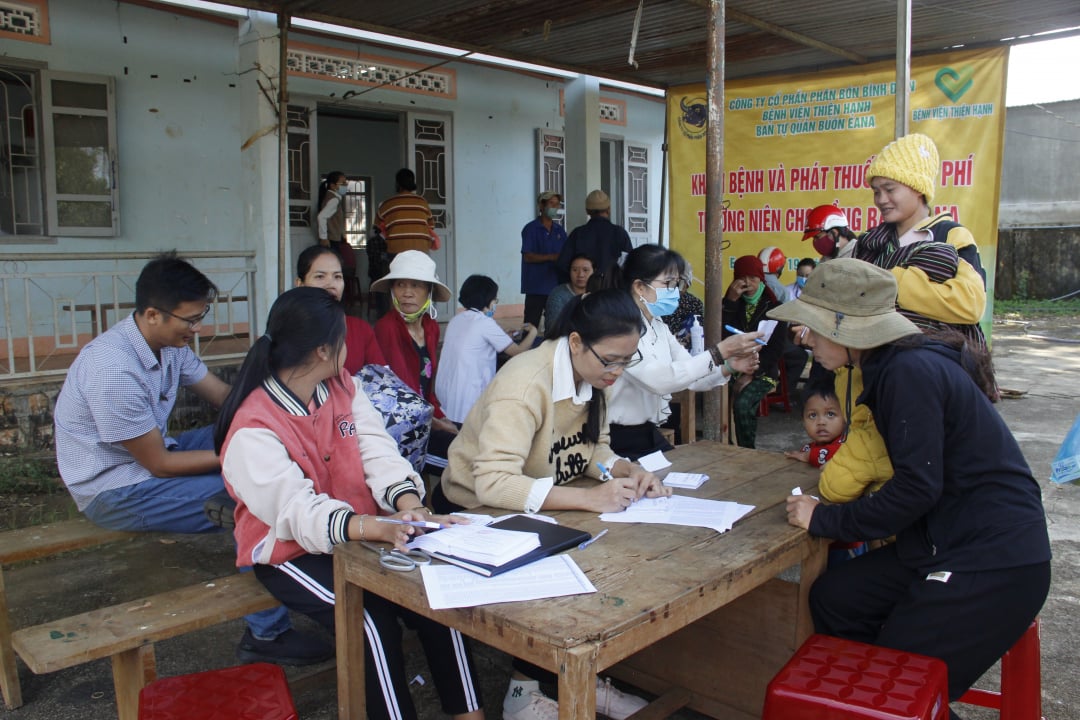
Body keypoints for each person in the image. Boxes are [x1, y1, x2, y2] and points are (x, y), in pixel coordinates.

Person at [773, 259, 1050, 708]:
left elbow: (916, 490)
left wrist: (824, 518)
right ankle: (879, 706)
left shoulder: (908, 372)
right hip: (947, 538)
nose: (807, 340)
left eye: (814, 328)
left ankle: (895, 707)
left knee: (894, 681)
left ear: (846, 329)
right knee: (837, 598)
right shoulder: (891, 366)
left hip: (995, 557)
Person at [214, 286, 483, 720]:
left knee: (435, 594)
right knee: (369, 621)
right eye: (344, 337)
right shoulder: (253, 427)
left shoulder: (342, 385)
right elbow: (297, 514)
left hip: (358, 530)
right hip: (289, 550)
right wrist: (375, 527)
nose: (352, 343)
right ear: (323, 349)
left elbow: (377, 451)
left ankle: (470, 715)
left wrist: (409, 502)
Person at [53, 252, 331, 666]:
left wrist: (284, 420)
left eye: (201, 316)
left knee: (258, 443)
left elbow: (225, 401)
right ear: (152, 315)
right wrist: (243, 458)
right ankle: (267, 635)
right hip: (114, 488)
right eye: (190, 319)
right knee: (248, 496)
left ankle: (311, 586)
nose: (198, 328)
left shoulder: (169, 345)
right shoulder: (112, 369)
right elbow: (160, 465)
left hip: (155, 452)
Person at [433, 288, 669, 720]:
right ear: (576, 342)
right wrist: (587, 497)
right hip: (472, 511)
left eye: (626, 360)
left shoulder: (595, 374)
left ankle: (575, 677)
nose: (617, 372)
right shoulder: (525, 384)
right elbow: (492, 483)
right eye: (610, 360)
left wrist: (623, 470)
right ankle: (524, 693)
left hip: (541, 497)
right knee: (560, 570)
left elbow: (592, 448)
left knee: (611, 556)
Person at [606, 244, 762, 460]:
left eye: (676, 284)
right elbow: (660, 380)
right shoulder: (620, 327)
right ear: (640, 287)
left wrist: (729, 366)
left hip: (646, 431)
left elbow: (692, 376)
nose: (674, 291)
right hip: (615, 438)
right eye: (667, 284)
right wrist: (719, 352)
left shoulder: (658, 325)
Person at [372, 250, 458, 476]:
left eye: (416, 286)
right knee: (464, 465)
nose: (407, 293)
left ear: (428, 292)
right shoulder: (387, 327)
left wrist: (441, 417)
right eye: (400, 285)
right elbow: (404, 394)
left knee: (475, 438)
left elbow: (427, 389)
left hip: (426, 420)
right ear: (392, 290)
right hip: (400, 431)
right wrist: (439, 424)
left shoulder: (430, 327)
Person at [436, 274, 537, 424]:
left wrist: (502, 336)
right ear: (488, 301)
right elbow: (518, 352)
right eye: (495, 299)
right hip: (467, 402)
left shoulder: (456, 320)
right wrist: (533, 332)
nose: (495, 303)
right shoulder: (485, 323)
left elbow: (476, 344)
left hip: (445, 398)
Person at [722, 254, 788, 448]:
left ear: (761, 279)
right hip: (732, 367)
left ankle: (747, 450)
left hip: (763, 372)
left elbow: (775, 350)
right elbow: (721, 336)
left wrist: (752, 373)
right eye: (742, 278)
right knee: (713, 397)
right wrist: (731, 302)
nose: (748, 283)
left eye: (753, 277)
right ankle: (724, 444)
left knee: (743, 404)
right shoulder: (732, 304)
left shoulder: (774, 308)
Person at [295, 244, 385, 374]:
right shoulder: (289, 331)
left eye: (337, 277)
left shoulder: (360, 329)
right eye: (320, 276)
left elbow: (382, 381)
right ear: (300, 284)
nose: (331, 285)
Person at [556, 189, 632, 286]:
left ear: (587, 211)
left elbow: (562, 265)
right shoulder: (619, 233)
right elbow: (629, 264)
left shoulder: (578, 233)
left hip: (584, 291)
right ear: (608, 209)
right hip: (612, 291)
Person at [521, 191, 568, 329]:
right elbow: (528, 256)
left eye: (557, 204)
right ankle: (527, 348)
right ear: (541, 206)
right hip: (536, 286)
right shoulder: (530, 229)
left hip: (555, 285)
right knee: (530, 325)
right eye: (551, 204)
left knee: (554, 325)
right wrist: (551, 257)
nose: (555, 207)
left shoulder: (559, 230)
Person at [315, 171, 359, 306]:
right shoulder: (333, 199)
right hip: (331, 241)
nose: (345, 185)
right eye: (343, 183)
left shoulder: (333, 198)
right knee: (334, 274)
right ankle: (335, 303)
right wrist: (323, 237)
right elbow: (321, 217)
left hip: (334, 239)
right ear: (333, 185)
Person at [375, 167, 437, 256]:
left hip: (395, 251)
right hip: (421, 250)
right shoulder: (422, 203)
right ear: (412, 182)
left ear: (397, 184)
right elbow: (431, 226)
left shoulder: (387, 204)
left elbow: (378, 228)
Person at [661, 256, 706, 351]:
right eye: (670, 282)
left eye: (680, 283)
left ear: (687, 285)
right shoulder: (656, 302)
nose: (675, 288)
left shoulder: (694, 303)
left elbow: (698, 333)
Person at [544, 252, 594, 328]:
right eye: (575, 270)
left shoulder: (598, 294)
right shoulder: (558, 295)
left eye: (585, 270)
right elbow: (553, 327)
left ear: (594, 271)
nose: (580, 274)